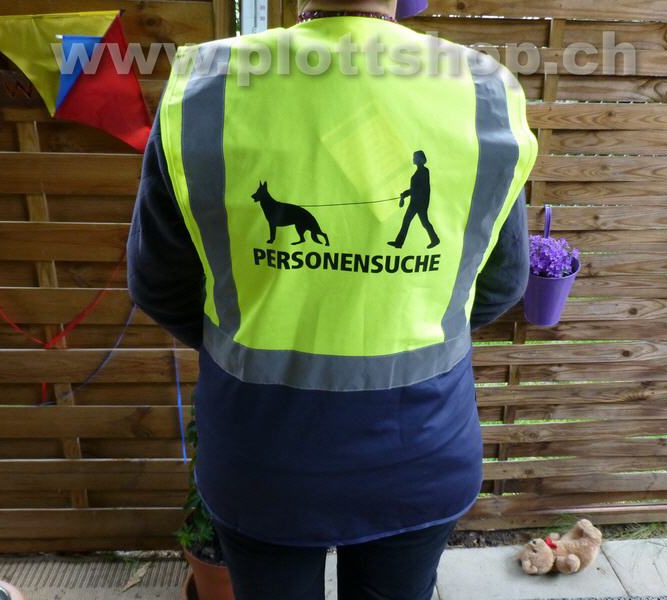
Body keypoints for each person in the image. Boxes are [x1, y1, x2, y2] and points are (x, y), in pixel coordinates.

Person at [126, 0, 537, 597]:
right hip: (420, 453)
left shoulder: (208, 85)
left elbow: (160, 284)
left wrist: (254, 329)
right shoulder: (482, 89)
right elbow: (500, 283)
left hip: (261, 458)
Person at [389, 150, 439, 249]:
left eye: (415, 157)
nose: (413, 159)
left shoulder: (424, 171)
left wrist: (407, 193)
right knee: (415, 222)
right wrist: (406, 194)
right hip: (416, 202)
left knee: (420, 222)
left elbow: (421, 188)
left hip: (419, 203)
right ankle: (399, 243)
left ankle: (434, 240)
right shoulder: (419, 171)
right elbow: (415, 189)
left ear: (420, 159)